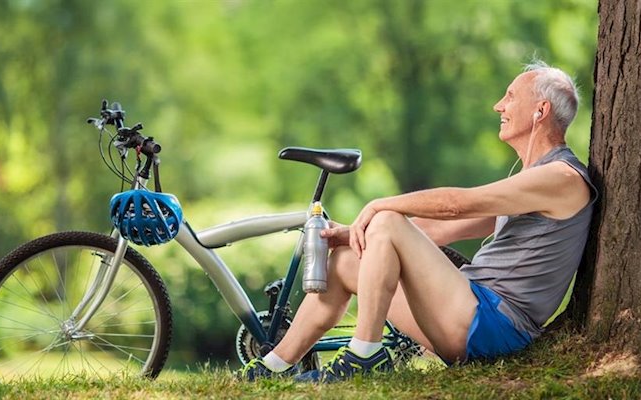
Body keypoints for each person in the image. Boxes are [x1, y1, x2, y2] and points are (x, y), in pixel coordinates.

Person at [238, 59, 597, 383]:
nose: (499, 106)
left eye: (510, 96)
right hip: (467, 314)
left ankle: (365, 354)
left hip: (493, 325)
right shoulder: (531, 182)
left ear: (540, 110)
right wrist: (355, 233)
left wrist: (381, 207)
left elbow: (458, 205)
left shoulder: (560, 179)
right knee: (347, 260)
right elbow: (439, 230)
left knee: (390, 220)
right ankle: (275, 365)